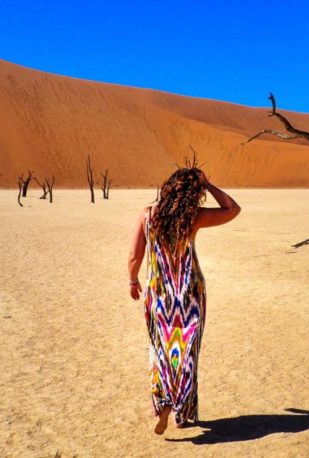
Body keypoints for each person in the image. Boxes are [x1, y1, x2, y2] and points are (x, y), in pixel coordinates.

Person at [127, 166, 240, 435]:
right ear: (194, 194)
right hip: (190, 294)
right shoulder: (194, 217)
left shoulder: (147, 215)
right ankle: (182, 411)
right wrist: (209, 185)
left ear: (167, 187)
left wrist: (132, 280)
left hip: (159, 294)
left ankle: (164, 400)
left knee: (162, 351)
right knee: (187, 352)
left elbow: (134, 255)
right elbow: (232, 209)